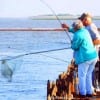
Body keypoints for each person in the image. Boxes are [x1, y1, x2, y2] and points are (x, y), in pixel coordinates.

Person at [62, 20, 98, 97]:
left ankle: (83, 93)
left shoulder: (77, 35)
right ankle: (89, 92)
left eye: (74, 28)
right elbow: (75, 30)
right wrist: (68, 28)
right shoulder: (85, 31)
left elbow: (75, 47)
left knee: (82, 76)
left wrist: (72, 44)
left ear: (76, 28)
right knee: (88, 75)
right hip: (93, 56)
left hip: (85, 58)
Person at [78, 13, 100, 90]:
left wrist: (87, 44)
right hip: (89, 54)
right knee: (89, 73)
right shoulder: (87, 27)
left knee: (89, 73)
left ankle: (91, 88)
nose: (80, 21)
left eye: (81, 20)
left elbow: (98, 40)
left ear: (86, 19)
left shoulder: (91, 27)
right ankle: (90, 88)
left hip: (91, 54)